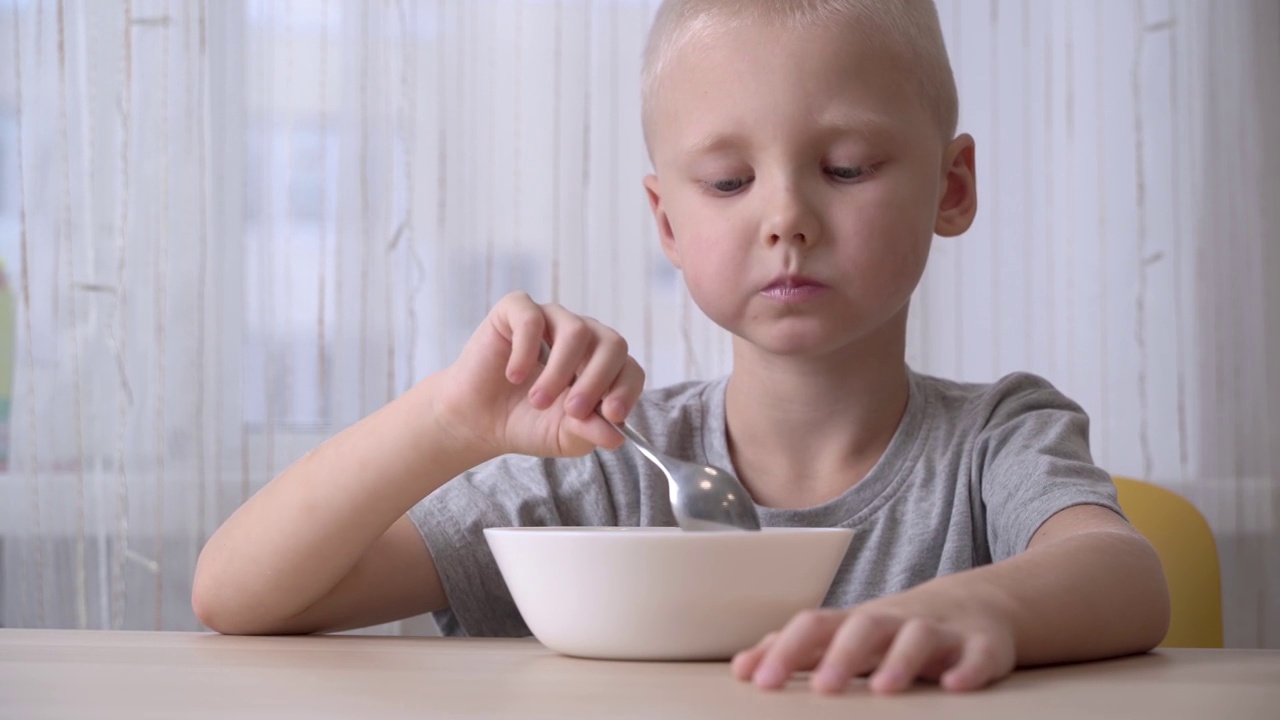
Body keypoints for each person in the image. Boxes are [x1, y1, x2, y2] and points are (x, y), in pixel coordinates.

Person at [192, 0, 1170, 695]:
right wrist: (448, 419)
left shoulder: (994, 439)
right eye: (727, 182)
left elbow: (1124, 580)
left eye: (844, 167)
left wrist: (977, 613)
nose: (785, 217)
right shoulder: (603, 462)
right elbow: (237, 594)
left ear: (950, 188)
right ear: (665, 221)